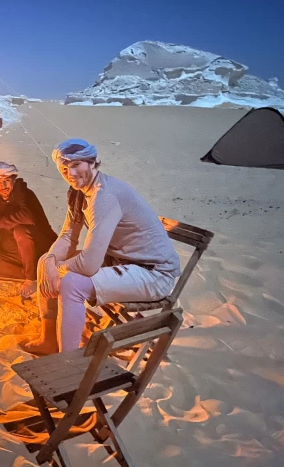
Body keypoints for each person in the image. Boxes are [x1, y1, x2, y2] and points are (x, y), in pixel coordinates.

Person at [22, 138, 181, 354]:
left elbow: (88, 265)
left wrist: (55, 268)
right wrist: (49, 261)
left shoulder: (104, 196)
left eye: (76, 164)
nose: (71, 173)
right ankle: (49, 339)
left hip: (153, 273)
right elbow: (69, 235)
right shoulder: (78, 193)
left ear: (92, 162)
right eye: (64, 168)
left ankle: (67, 361)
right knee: (45, 262)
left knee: (72, 285)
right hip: (121, 261)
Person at [0, 161, 57, 298]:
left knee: (20, 230)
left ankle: (30, 279)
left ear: (14, 180)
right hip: (16, 255)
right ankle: (39, 273)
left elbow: (27, 217)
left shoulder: (23, 193)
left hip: (38, 250)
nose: (3, 186)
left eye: (6, 181)